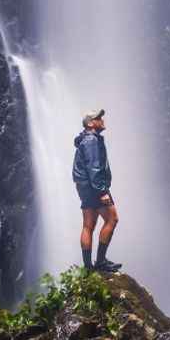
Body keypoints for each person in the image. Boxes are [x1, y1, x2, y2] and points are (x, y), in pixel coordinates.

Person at [72, 108, 121, 272]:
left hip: (84, 187)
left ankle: (88, 267)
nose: (102, 119)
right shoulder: (92, 140)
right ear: (90, 123)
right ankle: (100, 262)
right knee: (112, 219)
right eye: (99, 118)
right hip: (95, 187)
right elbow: (94, 167)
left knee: (88, 226)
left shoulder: (86, 140)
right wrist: (102, 192)